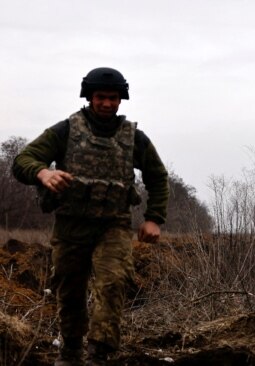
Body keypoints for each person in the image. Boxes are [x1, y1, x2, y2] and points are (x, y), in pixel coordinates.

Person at [12, 67, 169, 366]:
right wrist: (43, 172)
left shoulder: (134, 137)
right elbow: (23, 160)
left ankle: (100, 354)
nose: (107, 104)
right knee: (70, 289)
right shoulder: (66, 130)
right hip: (71, 225)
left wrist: (154, 218)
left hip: (114, 226)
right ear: (89, 97)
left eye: (113, 98)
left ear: (121, 99)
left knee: (112, 283)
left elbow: (158, 177)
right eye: (101, 97)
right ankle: (70, 350)